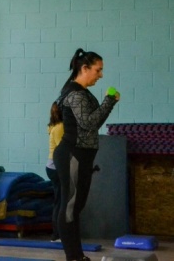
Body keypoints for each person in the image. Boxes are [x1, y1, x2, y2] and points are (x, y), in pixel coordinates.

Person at [53, 48, 119, 261]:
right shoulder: (75, 94)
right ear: (84, 68)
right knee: (70, 207)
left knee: (76, 207)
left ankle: (77, 256)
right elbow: (90, 123)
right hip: (73, 154)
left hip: (81, 156)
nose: (101, 75)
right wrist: (110, 100)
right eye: (98, 70)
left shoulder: (79, 91)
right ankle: (73, 257)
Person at [46, 101, 63, 243]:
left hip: (54, 167)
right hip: (55, 167)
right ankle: (56, 235)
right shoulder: (59, 127)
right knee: (60, 201)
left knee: (61, 200)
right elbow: (61, 151)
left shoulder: (54, 126)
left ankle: (58, 233)